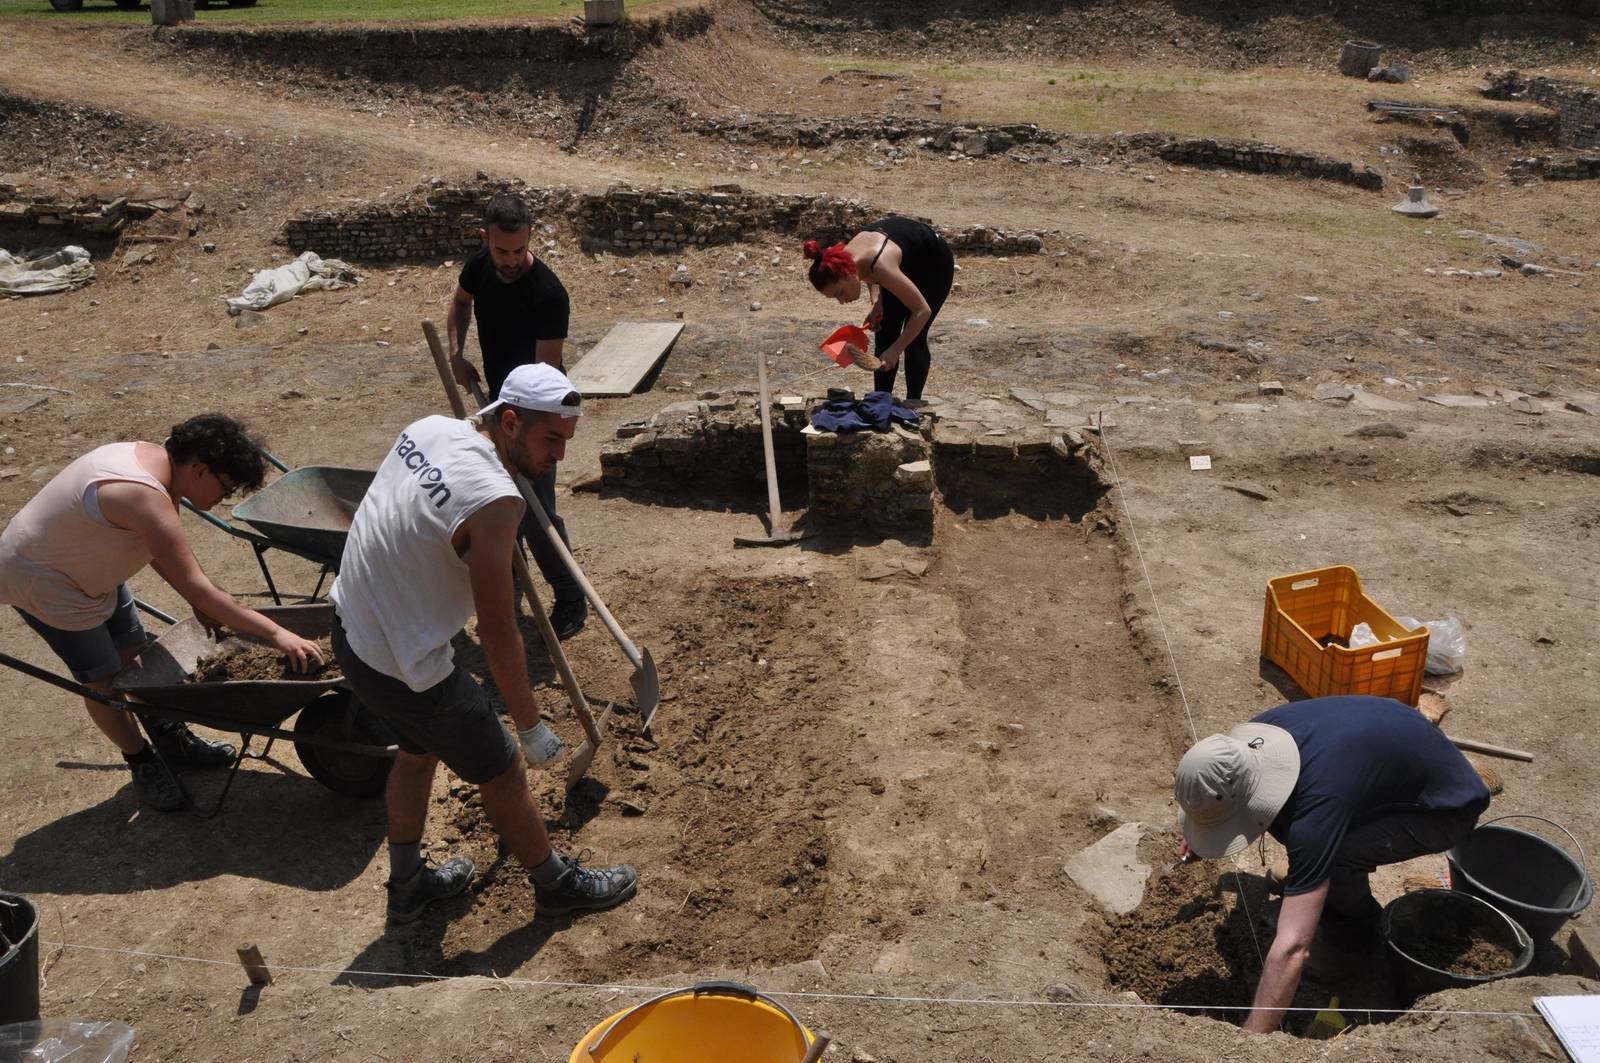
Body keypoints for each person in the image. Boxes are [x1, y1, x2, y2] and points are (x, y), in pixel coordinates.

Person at [329, 363, 638, 926]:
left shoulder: (428, 429)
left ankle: (408, 885)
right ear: (511, 421)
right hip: (407, 663)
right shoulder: (495, 500)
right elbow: (497, 628)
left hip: (352, 629)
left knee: (418, 752)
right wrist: (529, 725)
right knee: (502, 769)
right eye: (551, 440)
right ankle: (556, 884)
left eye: (566, 441)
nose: (560, 458)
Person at [0, 415, 326, 813]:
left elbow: (158, 548)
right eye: (225, 488)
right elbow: (194, 579)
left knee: (138, 655)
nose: (223, 499)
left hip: (93, 565)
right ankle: (142, 762)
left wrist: (196, 602)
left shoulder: (157, 464)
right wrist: (278, 634)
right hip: (47, 581)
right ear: (199, 468)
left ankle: (171, 739)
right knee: (102, 681)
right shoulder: (142, 493)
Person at [1173, 695, 1491, 1034]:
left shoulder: (1316, 817)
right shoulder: (1260, 737)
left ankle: (1352, 938)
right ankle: (1310, 882)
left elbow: (1293, 947)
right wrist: (1208, 824)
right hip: (1396, 737)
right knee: (1306, 842)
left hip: (1447, 807)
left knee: (1330, 855)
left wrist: (1251, 1038)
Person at [445, 192, 586, 641]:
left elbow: (545, 379)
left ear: (530, 239)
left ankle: (570, 597)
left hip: (536, 414)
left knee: (535, 509)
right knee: (495, 501)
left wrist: (514, 434)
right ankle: (508, 586)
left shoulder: (548, 293)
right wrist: (456, 353)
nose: (507, 261)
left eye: (517, 251)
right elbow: (461, 301)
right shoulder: (480, 266)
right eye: (500, 250)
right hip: (497, 405)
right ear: (485, 238)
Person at [802, 217, 955, 403]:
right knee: (885, 333)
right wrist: (877, 301)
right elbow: (867, 274)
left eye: (839, 293)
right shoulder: (847, 260)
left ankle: (913, 405)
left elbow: (922, 311)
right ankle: (881, 403)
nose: (841, 301)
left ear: (848, 274)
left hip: (931, 264)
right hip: (900, 260)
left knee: (914, 338)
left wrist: (895, 351)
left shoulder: (880, 265)